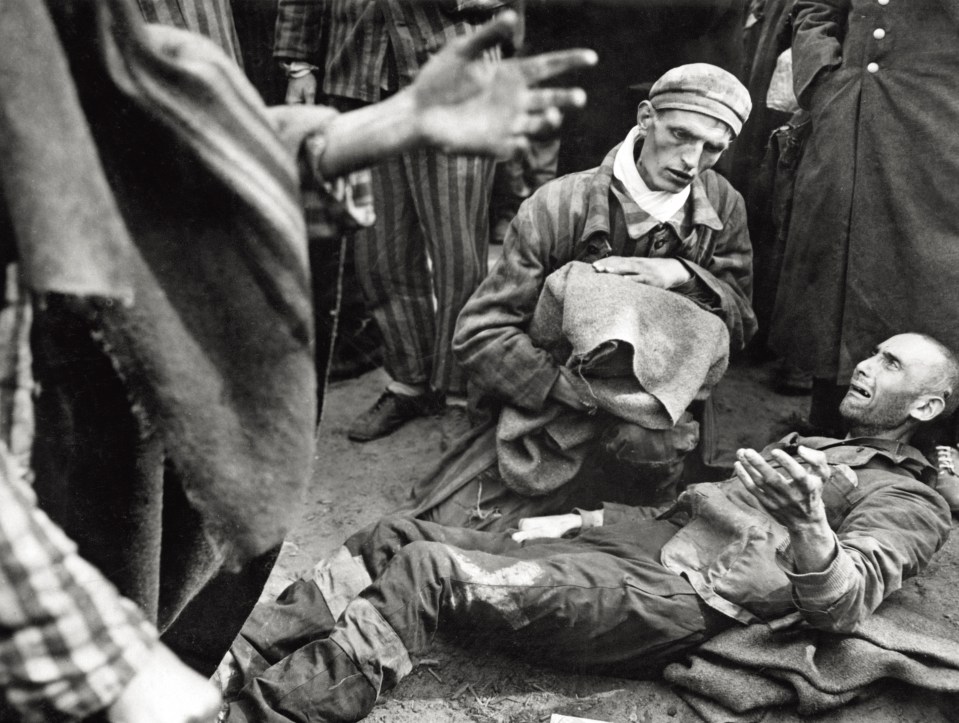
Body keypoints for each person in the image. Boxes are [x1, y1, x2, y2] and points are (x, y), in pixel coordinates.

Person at [3, 0, 595, 703]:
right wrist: (108, 667)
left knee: (167, 563)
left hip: (131, 347)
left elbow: (127, 143)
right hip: (49, 428)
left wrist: (368, 130)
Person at [225, 333, 957, 722]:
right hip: (623, 548)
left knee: (430, 574)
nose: (864, 365)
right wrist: (572, 518)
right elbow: (684, 507)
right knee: (397, 536)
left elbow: (843, 602)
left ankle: (268, 712)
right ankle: (234, 653)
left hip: (669, 601)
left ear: (925, 408)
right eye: (871, 351)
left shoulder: (909, 501)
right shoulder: (823, 446)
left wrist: (807, 528)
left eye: (890, 364)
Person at [406, 63, 757, 532]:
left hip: (651, 418)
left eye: (713, 148)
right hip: (548, 408)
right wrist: (568, 391)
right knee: (451, 533)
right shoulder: (555, 205)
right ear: (646, 116)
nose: (691, 161)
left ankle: (615, 504)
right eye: (680, 134)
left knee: (643, 541)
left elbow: (741, 322)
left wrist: (680, 274)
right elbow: (479, 333)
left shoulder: (723, 204)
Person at [275, 0, 517, 442]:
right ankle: (410, 381)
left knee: (455, 244)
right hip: (358, 78)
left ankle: (462, 393)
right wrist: (299, 64)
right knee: (378, 249)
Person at [769, 0, 959, 437]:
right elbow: (815, 7)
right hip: (847, 116)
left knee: (933, 285)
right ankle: (832, 430)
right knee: (834, 273)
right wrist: (822, 78)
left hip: (940, 127)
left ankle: (927, 444)